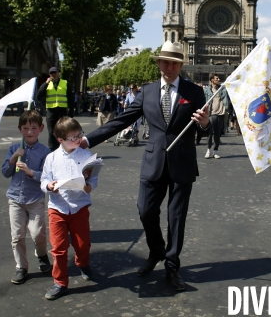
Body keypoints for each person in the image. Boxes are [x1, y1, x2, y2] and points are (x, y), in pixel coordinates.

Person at [83, 41, 210, 291]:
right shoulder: (147, 91)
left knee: (176, 218)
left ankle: (172, 266)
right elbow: (121, 121)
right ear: (158, 63)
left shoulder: (193, 91)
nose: (169, 67)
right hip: (153, 162)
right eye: (165, 62)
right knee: (145, 211)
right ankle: (156, 251)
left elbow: (202, 130)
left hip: (182, 163)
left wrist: (205, 123)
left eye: (174, 63)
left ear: (181, 65)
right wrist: (87, 140)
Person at [40, 117, 98, 300]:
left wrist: (90, 186)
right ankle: (60, 282)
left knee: (82, 244)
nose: (78, 139)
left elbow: (93, 179)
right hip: (57, 207)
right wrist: (49, 186)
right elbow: (44, 180)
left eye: (79, 135)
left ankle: (82, 263)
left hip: (79, 206)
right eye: (73, 137)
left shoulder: (86, 155)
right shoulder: (51, 158)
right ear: (61, 140)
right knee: (58, 248)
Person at [1, 110, 51, 284]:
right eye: (26, 128)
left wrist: (31, 173)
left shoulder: (45, 152)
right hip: (15, 199)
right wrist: (13, 158)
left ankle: (42, 254)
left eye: (33, 128)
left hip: (35, 199)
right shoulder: (14, 148)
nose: (29, 132)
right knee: (17, 235)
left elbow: (46, 177)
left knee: (38, 233)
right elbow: (5, 172)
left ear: (41, 129)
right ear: (20, 129)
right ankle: (21, 267)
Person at [37, 67, 74, 151]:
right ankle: (52, 150)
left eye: (55, 72)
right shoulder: (47, 84)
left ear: (58, 73)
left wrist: (71, 112)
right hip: (51, 111)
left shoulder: (65, 83)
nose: (53, 74)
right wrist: (46, 83)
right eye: (51, 73)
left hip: (62, 110)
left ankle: (64, 148)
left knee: (63, 130)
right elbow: (39, 95)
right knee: (51, 132)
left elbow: (70, 98)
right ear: (49, 74)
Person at [204, 74, 229, 159]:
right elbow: (204, 100)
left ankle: (215, 151)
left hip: (221, 114)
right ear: (212, 80)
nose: (218, 79)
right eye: (216, 78)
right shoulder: (207, 90)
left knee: (217, 134)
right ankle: (208, 150)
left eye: (219, 78)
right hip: (211, 114)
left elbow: (227, 96)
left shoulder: (222, 89)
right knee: (210, 133)